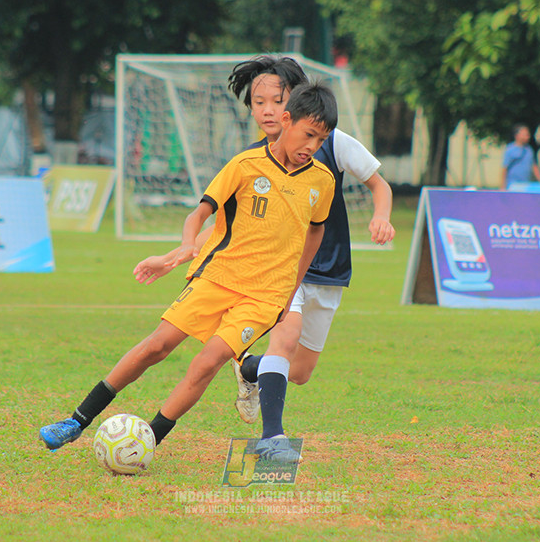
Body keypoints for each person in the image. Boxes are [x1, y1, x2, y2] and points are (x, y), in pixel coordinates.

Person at [39, 81, 338, 464]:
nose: (311, 146)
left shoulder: (321, 181)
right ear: (286, 120)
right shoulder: (245, 165)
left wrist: (289, 290)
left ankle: (148, 440)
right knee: (156, 346)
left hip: (265, 297)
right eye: (308, 135)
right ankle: (77, 420)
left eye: (321, 140)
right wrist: (183, 247)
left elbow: (315, 233)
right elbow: (200, 213)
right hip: (217, 278)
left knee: (208, 362)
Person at [135, 54, 395, 462]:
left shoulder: (333, 140)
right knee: (285, 340)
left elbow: (379, 185)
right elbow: (221, 227)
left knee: (301, 372)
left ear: (298, 102)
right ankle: (274, 438)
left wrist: (381, 218)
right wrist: (175, 254)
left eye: (278, 99)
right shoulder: (257, 159)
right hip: (277, 275)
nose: (270, 110)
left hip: (329, 273)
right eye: (261, 102)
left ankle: (250, 368)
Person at [501, 123, 540, 189]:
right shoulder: (510, 149)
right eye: (525, 134)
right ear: (517, 135)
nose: (527, 137)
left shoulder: (529, 150)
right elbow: (504, 168)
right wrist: (503, 187)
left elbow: (533, 166)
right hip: (513, 185)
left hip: (525, 185)